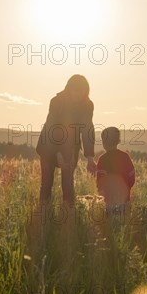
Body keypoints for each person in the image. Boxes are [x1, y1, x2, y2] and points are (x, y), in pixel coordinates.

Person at [36, 74, 96, 205]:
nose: (78, 95)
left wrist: (90, 157)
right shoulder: (56, 101)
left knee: (68, 185)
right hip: (49, 146)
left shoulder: (87, 105)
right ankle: (43, 215)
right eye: (76, 91)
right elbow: (53, 126)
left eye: (82, 92)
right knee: (46, 184)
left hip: (71, 146)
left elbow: (88, 129)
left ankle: (69, 218)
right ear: (69, 89)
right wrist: (58, 152)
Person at [96, 127, 136, 211]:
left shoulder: (102, 159)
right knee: (123, 222)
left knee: (110, 221)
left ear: (103, 142)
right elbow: (132, 177)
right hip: (124, 199)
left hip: (108, 200)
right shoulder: (125, 157)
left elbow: (99, 181)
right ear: (118, 141)